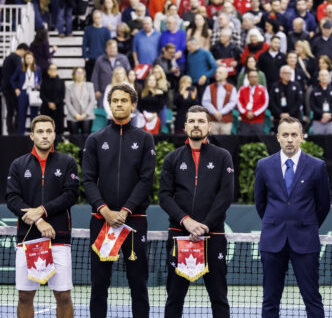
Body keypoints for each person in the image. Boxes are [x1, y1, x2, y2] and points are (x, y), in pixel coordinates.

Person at [82, 84, 155, 318]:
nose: (119, 104)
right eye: (115, 100)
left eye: (124, 100)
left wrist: (125, 211)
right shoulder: (95, 139)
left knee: (138, 285)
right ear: (110, 104)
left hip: (134, 222)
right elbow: (88, 180)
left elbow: (146, 180)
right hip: (101, 222)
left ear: (133, 105)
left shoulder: (145, 139)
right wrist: (105, 211)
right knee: (99, 286)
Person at [158, 105, 233, 317]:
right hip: (180, 236)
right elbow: (164, 196)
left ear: (209, 126)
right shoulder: (172, 158)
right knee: (174, 298)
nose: (196, 125)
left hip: (213, 236)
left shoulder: (223, 156)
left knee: (219, 297)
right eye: (192, 121)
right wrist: (186, 221)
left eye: (201, 121)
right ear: (185, 126)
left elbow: (225, 195)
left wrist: (205, 225)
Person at [255, 116, 331, 317]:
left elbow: (323, 205)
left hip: (305, 242)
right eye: (285, 135)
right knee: (270, 299)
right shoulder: (264, 165)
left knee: (312, 298)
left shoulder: (317, 166)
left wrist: (307, 225)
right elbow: (260, 203)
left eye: (294, 135)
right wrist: (277, 222)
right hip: (273, 242)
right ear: (278, 137)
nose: (289, 139)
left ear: (302, 137)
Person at [6, 115, 77, 318]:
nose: (44, 136)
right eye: (40, 131)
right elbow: (12, 198)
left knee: (63, 296)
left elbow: (70, 194)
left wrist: (42, 210)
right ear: (32, 135)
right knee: (25, 297)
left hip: (59, 239)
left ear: (54, 135)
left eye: (48, 131)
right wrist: (38, 219)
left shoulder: (67, 162)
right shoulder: (18, 165)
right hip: (28, 239)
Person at [91, 39, 131, 107]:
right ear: (106, 49)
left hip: (121, 91)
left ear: (117, 48)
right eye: (110, 48)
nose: (112, 49)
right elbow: (95, 76)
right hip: (103, 92)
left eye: (114, 47)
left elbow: (129, 73)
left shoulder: (123, 59)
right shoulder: (100, 60)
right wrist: (96, 90)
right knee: (105, 113)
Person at [201, 66, 238, 135]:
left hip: (226, 121)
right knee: (212, 142)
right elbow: (205, 102)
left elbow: (233, 103)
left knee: (225, 142)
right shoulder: (209, 87)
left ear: (226, 75)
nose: (217, 74)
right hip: (213, 120)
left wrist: (221, 112)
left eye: (220, 73)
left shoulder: (232, 88)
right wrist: (215, 112)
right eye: (217, 72)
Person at [12, 51, 41, 134]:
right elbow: (12, 79)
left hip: (34, 92)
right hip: (23, 93)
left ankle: (34, 134)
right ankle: (20, 135)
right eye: (27, 58)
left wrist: (38, 85)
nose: (29, 60)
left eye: (30, 58)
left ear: (33, 59)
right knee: (22, 114)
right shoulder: (20, 68)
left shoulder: (37, 69)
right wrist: (16, 89)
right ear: (24, 59)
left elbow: (40, 80)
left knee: (34, 115)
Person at [2, 43, 28, 134]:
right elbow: (20, 73)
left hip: (5, 88)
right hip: (12, 89)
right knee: (18, 110)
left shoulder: (7, 58)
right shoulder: (16, 58)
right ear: (22, 50)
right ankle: (16, 131)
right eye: (25, 54)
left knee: (10, 111)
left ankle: (10, 131)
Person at [237, 69, 269, 135]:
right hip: (245, 120)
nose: (253, 78)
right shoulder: (242, 89)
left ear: (258, 78)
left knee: (259, 143)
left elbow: (265, 104)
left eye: (255, 77)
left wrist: (254, 113)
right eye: (251, 77)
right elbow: (239, 103)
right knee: (244, 142)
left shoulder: (263, 89)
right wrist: (246, 113)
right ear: (248, 78)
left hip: (258, 121)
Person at [65, 66, 96, 134]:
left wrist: (85, 114)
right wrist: (76, 115)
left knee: (86, 138)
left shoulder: (90, 85)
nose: (80, 74)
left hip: (87, 116)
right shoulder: (69, 87)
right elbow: (68, 102)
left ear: (84, 74)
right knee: (74, 139)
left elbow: (92, 101)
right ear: (74, 74)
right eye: (78, 72)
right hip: (73, 116)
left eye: (82, 72)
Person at [310, 69, 332, 134]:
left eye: (326, 75)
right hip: (318, 120)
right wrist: (322, 114)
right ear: (318, 77)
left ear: (329, 77)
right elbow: (312, 106)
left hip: (331, 121)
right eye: (322, 75)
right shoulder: (314, 91)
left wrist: (329, 115)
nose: (324, 77)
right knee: (318, 142)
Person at [40, 64, 65, 134]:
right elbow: (42, 95)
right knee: (46, 128)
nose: (53, 71)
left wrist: (55, 103)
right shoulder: (44, 82)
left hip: (58, 108)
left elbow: (62, 95)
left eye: (54, 69)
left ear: (57, 71)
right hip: (46, 108)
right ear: (48, 71)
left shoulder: (61, 82)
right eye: (51, 69)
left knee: (58, 128)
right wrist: (49, 103)